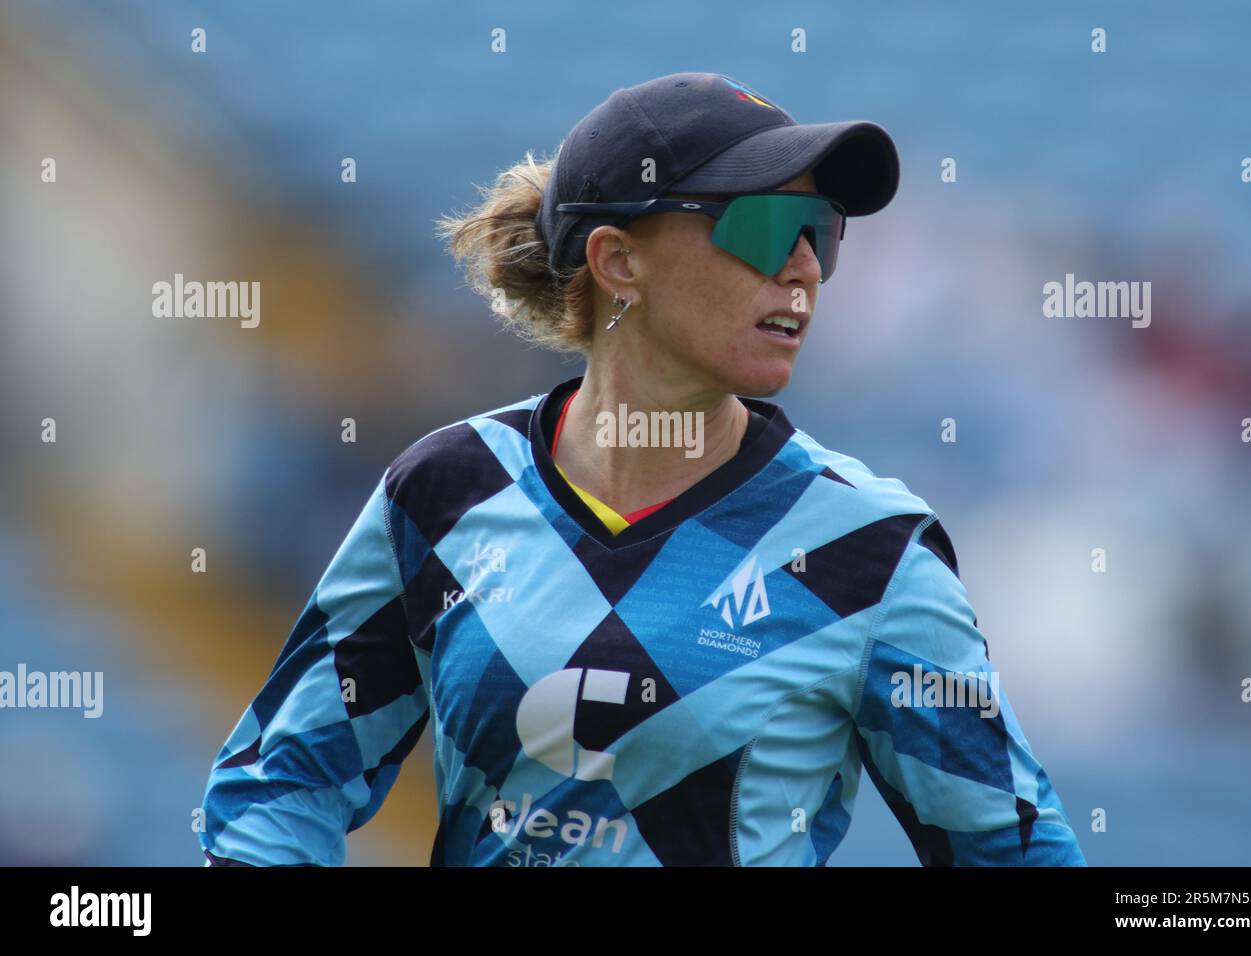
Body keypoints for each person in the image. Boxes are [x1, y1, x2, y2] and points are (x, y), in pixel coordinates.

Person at [199, 72, 1086, 867]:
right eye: (770, 227)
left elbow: (1015, 855)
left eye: (823, 234)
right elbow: (280, 782)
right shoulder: (446, 490)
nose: (806, 269)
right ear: (619, 261)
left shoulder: (873, 553)